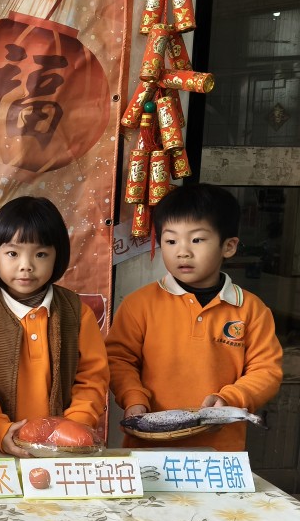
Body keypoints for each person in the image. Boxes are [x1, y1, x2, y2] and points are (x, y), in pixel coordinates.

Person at [107, 184, 283, 451]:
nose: (182, 251)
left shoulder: (251, 309)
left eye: (197, 240)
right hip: (148, 448)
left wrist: (232, 398)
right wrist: (133, 398)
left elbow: (266, 370)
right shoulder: (139, 304)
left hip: (220, 451)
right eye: (171, 241)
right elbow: (118, 360)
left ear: (229, 246)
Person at [0, 196, 109, 456]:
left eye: (40, 254)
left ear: (57, 257)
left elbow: (93, 377)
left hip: (63, 450)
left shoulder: (77, 313)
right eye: (13, 254)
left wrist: (75, 426)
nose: (26, 266)